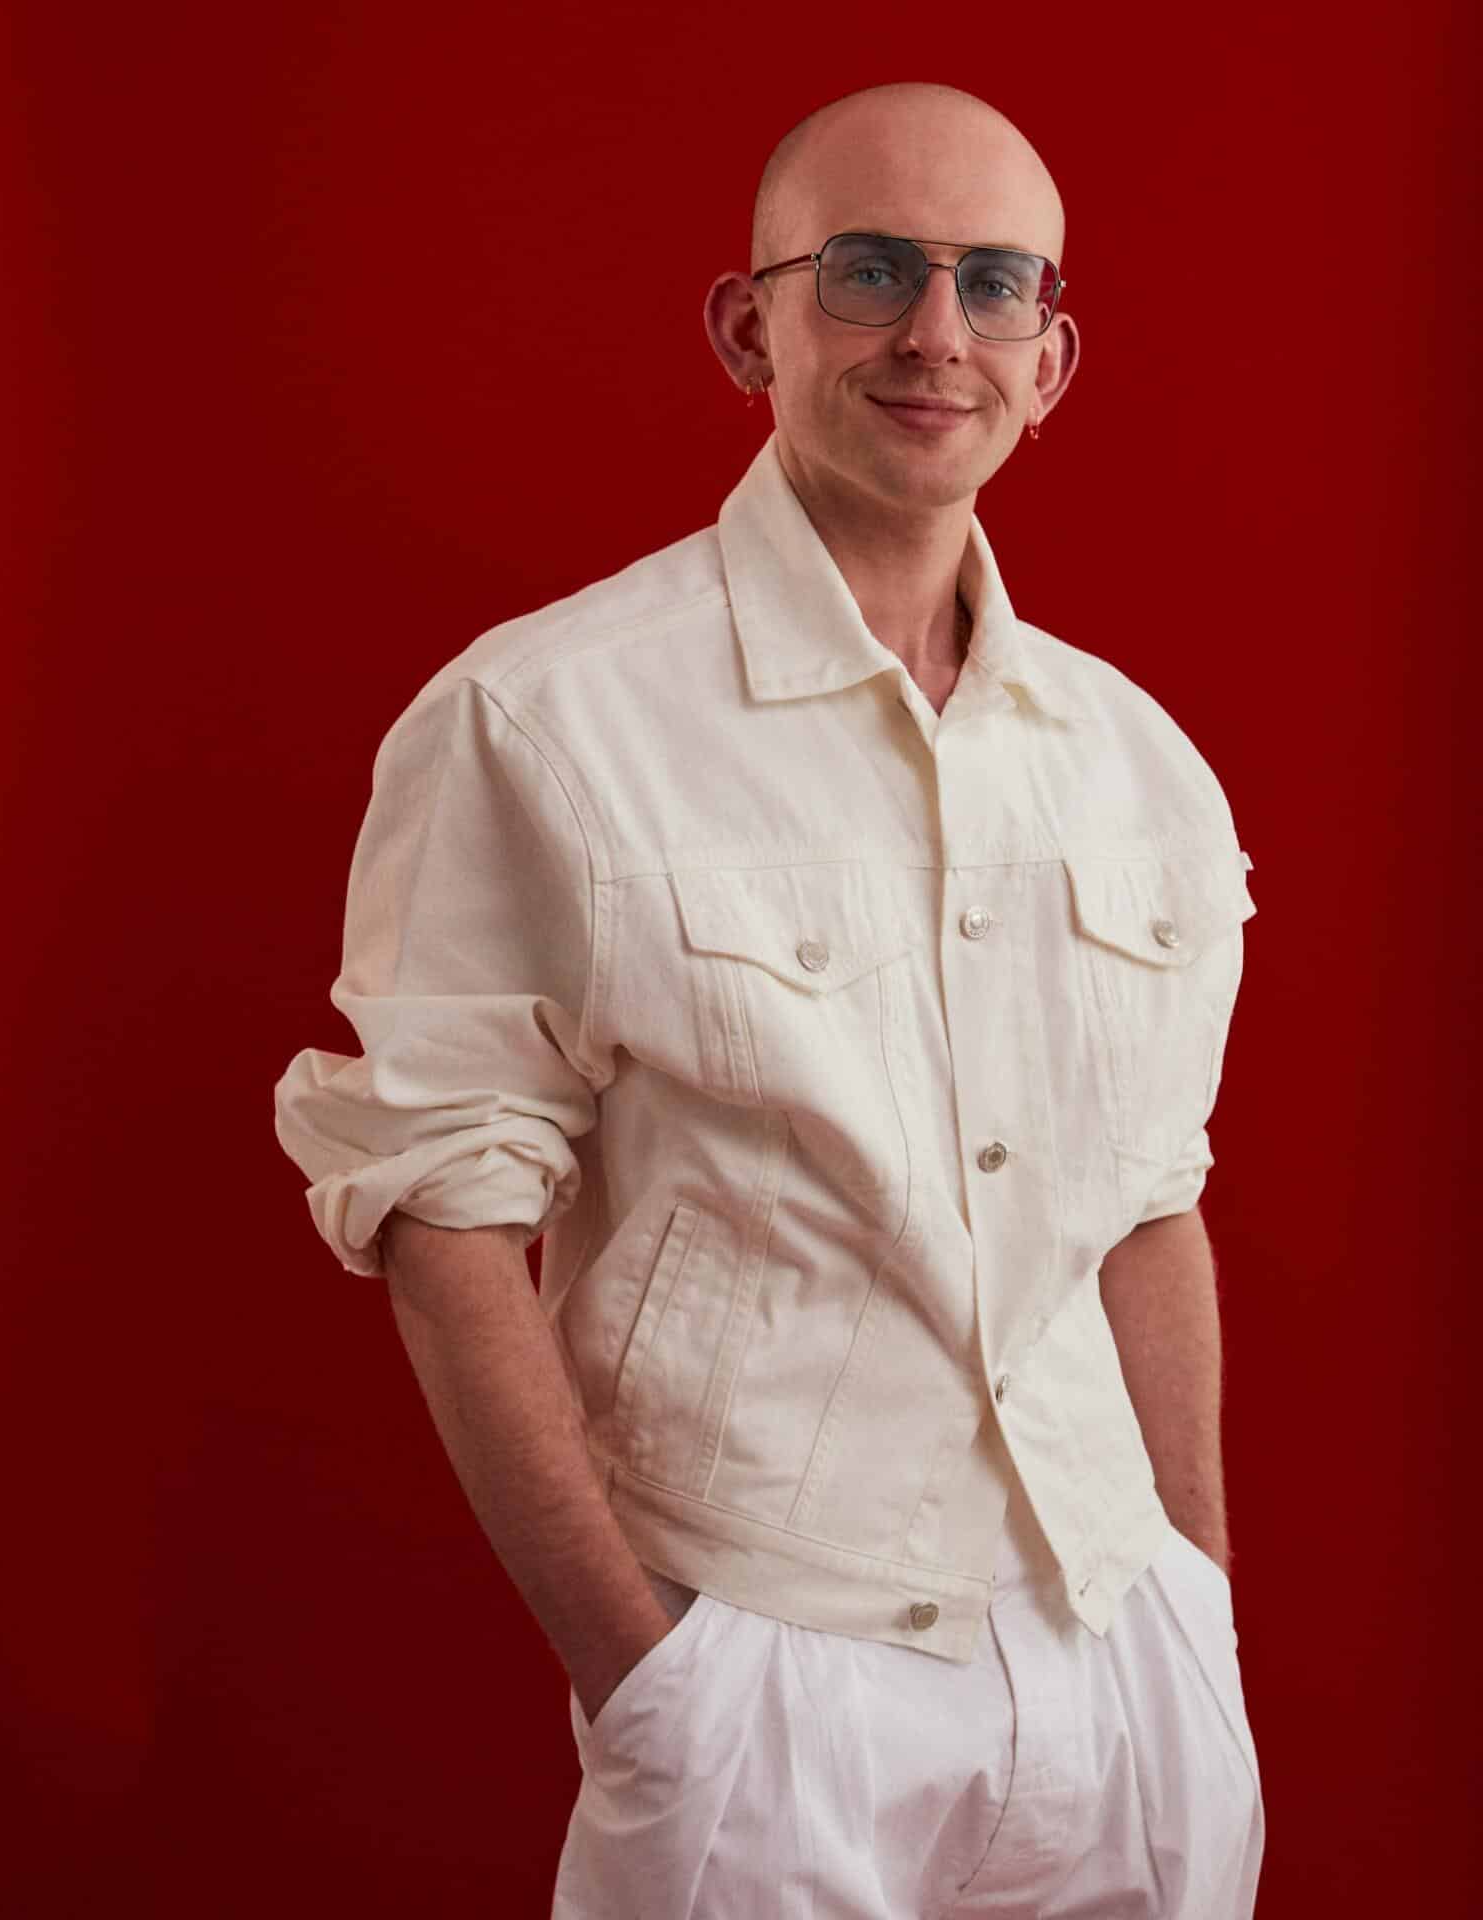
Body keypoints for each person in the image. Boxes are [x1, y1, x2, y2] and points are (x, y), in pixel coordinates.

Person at [273, 79, 1264, 1920]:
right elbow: (439, 1209)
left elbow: (1150, 1203)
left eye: (994, 285)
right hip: (769, 1678)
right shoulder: (542, 720)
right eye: (871, 270)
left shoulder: (1140, 765)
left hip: (1124, 1653)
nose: (936, 335)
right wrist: (651, 1677)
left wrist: (1196, 1597)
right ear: (751, 328)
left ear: (1051, 360)